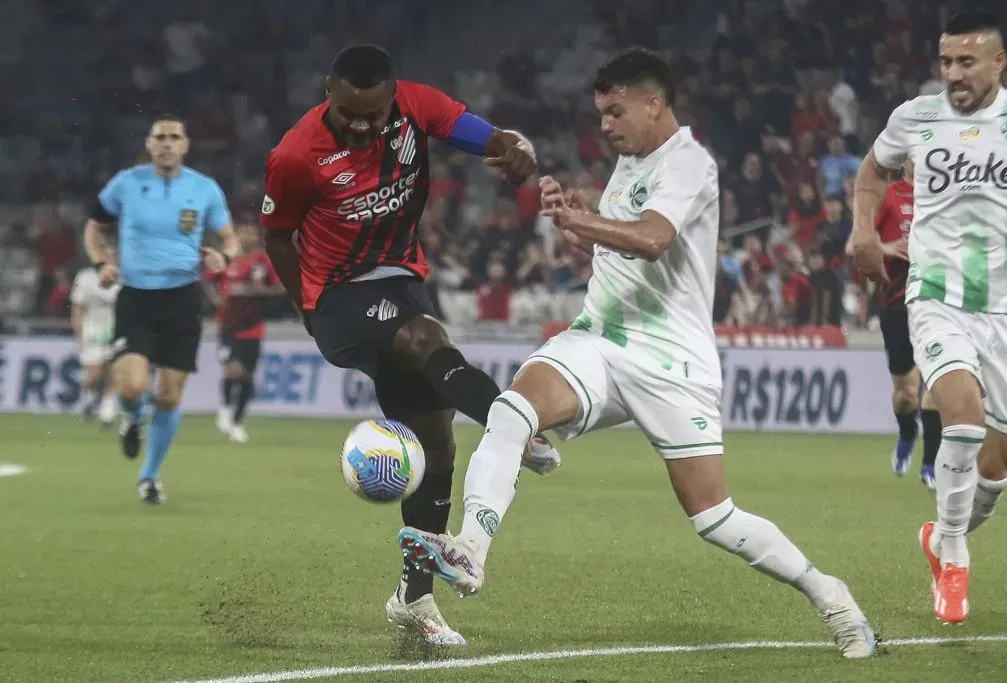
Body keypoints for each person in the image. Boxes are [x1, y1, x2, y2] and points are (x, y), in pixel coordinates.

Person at [397, 48, 875, 659]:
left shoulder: (689, 162)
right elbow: (618, 253)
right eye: (600, 113)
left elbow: (652, 240)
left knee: (715, 519)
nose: (605, 125)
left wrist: (581, 219)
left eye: (615, 111)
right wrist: (576, 222)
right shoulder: (630, 162)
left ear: (654, 104)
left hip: (670, 361)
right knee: (511, 408)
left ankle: (831, 596)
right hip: (598, 338)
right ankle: (470, 550)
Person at [260, 44, 561, 645]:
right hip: (340, 296)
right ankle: (512, 423)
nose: (364, 125)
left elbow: (482, 134)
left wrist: (512, 150)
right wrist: (308, 309)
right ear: (329, 92)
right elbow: (277, 238)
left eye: (374, 114)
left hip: (400, 281)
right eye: (350, 113)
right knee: (425, 337)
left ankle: (413, 600)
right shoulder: (295, 154)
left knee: (436, 447)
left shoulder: (416, 106)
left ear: (392, 97)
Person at [848, 12, 1007, 624]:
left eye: (966, 62)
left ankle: (942, 532)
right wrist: (863, 229)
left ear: (999, 63)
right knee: (963, 419)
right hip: (936, 294)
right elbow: (871, 171)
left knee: (996, 472)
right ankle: (953, 558)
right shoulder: (915, 117)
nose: (952, 74)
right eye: (946, 62)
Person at [83, 113, 238, 505]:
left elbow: (230, 240)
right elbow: (93, 227)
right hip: (136, 297)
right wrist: (103, 263)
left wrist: (223, 256)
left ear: (185, 145)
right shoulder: (126, 184)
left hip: (183, 299)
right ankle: (133, 418)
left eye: (174, 137)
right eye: (160, 137)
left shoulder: (204, 190)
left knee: (168, 397)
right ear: (150, 145)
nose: (167, 143)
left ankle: (149, 477)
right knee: (133, 386)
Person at [852, 161, 941, 489]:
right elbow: (856, 244)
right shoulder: (889, 196)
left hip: (938, 300)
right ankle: (907, 433)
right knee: (906, 396)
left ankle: (930, 465)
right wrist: (886, 248)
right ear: (906, 160)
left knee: (936, 384)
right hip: (896, 304)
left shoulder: (946, 194)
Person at [206, 223, 285, 443]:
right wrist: (214, 299)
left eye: (251, 232)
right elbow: (208, 280)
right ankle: (224, 408)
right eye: (243, 232)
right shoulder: (228, 258)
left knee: (247, 376)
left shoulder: (262, 261)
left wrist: (262, 291)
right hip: (228, 325)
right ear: (237, 235)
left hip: (253, 327)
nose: (247, 236)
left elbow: (279, 287)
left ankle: (237, 422)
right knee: (232, 370)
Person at [70, 263, 120, 427]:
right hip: (92, 329)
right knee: (94, 374)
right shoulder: (84, 276)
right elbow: (77, 306)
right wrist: (79, 331)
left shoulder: (123, 275)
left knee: (113, 371)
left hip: (116, 328)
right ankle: (90, 398)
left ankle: (108, 412)